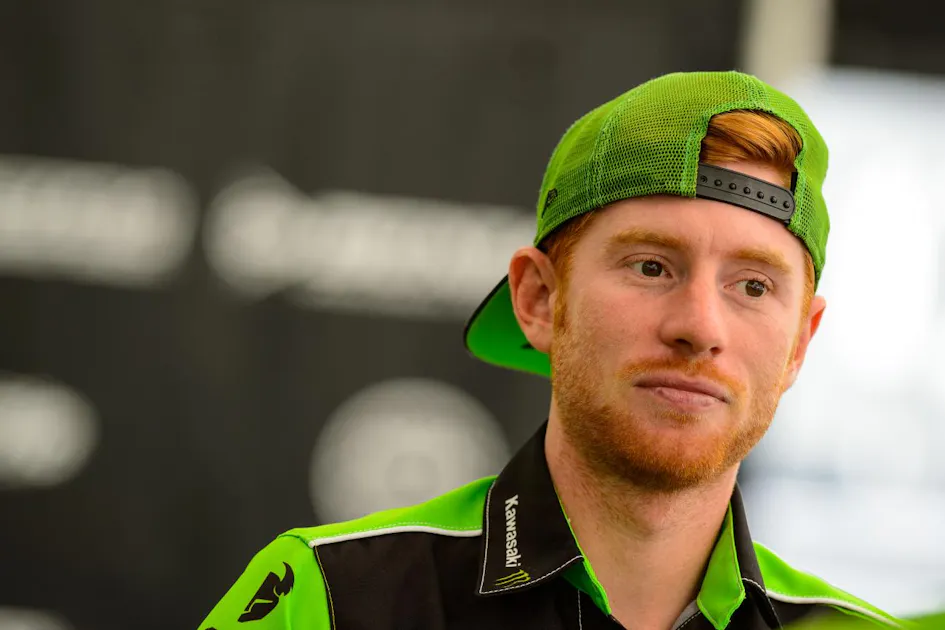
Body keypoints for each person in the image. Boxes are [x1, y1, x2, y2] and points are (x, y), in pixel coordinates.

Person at [197, 71, 902, 630]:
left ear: (798, 345)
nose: (699, 325)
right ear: (538, 299)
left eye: (752, 285)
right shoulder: (330, 597)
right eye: (651, 266)